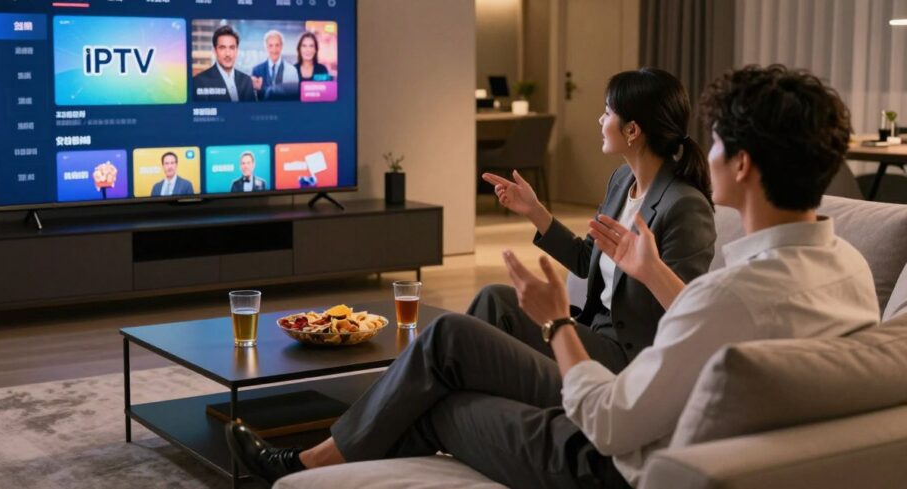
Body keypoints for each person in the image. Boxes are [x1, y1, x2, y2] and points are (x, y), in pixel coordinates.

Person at [224, 64, 881, 489]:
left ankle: (310, 465)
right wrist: (545, 220)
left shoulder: (720, 280)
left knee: (446, 364)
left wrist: (557, 320)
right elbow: (621, 281)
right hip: (656, 414)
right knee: (465, 330)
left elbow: (612, 421)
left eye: (715, 144)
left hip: (606, 455)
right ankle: (343, 449)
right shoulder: (848, 268)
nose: (703, 154)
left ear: (740, 165)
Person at [472, 68, 716, 373]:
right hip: (593, 330)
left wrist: (649, 270)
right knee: (491, 304)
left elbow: (689, 312)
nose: (601, 121)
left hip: (630, 355)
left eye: (607, 112)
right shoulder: (622, 180)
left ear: (632, 130)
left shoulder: (684, 206)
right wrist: (534, 210)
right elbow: (586, 259)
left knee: (497, 303)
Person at [193, 25, 256, 102]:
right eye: (222, 48)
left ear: (236, 51)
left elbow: (253, 112)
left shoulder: (246, 80)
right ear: (215, 51)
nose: (228, 54)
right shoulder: (199, 82)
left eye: (232, 48)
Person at [251, 30, 299, 101]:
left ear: (281, 46)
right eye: (270, 46)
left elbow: (295, 97)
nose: (274, 49)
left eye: (277, 45)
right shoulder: (257, 70)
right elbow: (252, 99)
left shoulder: (291, 70)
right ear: (266, 47)